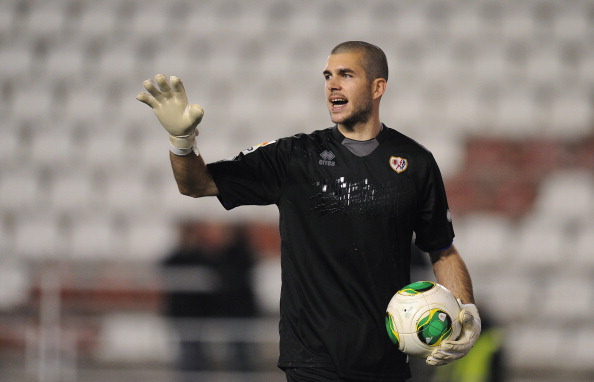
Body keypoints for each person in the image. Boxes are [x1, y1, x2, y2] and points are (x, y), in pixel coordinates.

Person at [137, 41, 481, 382]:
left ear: (378, 87)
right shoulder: (294, 157)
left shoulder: (416, 162)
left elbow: (442, 248)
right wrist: (182, 144)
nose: (332, 84)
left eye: (346, 74)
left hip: (389, 360)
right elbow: (197, 184)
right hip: (313, 362)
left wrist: (466, 311)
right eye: (328, 75)